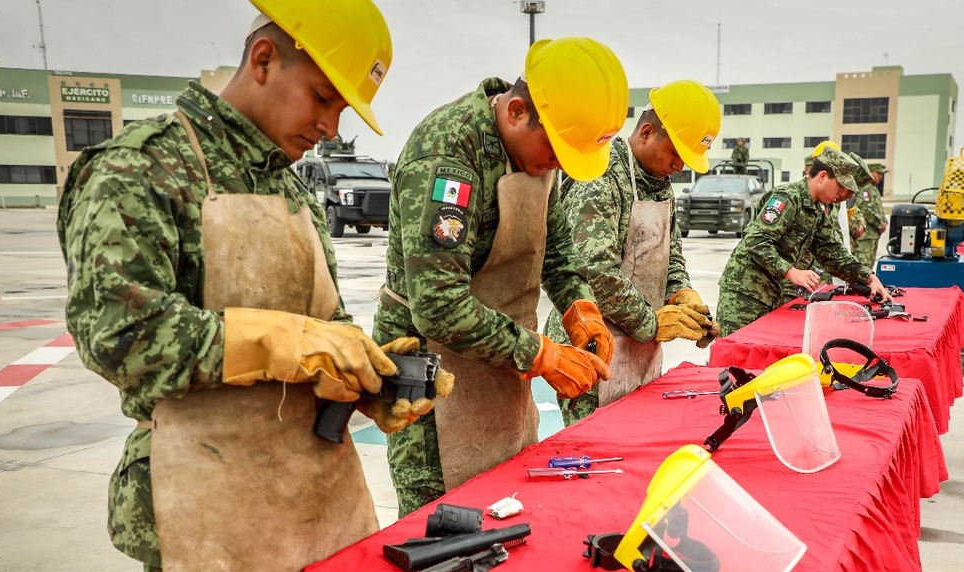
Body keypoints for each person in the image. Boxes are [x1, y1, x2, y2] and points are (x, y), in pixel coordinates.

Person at [59, 1, 451, 572]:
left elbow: (326, 324)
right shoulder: (141, 168)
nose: (328, 125)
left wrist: (367, 374)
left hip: (314, 492)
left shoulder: (293, 190)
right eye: (322, 97)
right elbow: (118, 338)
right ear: (264, 59)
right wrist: (276, 340)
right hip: (204, 500)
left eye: (343, 112)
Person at [373, 37, 626, 517]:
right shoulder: (448, 156)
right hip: (426, 369)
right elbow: (439, 307)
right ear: (515, 112)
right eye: (554, 151)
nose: (555, 165)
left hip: (502, 359)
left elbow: (555, 251)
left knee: (505, 502)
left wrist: (580, 308)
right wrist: (541, 353)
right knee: (443, 525)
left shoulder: (535, 148)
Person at [543, 79, 721, 425]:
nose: (680, 167)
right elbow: (592, 271)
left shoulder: (660, 185)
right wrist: (651, 322)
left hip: (640, 346)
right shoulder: (601, 177)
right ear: (646, 132)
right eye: (676, 154)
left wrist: (681, 293)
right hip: (593, 346)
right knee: (594, 451)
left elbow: (671, 252)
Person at [716, 148, 892, 336]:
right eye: (841, 187)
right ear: (823, 176)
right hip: (744, 295)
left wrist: (868, 277)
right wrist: (791, 271)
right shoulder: (788, 197)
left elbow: (831, 252)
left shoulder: (818, 209)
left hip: (771, 294)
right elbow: (755, 240)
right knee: (733, 357)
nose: (843, 195)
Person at [850, 162, 888, 266]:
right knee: (863, 263)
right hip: (866, 235)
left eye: (882, 174)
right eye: (878, 173)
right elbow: (866, 209)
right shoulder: (865, 188)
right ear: (870, 173)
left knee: (870, 264)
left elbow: (878, 209)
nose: (880, 177)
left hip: (873, 235)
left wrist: (884, 221)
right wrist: (880, 224)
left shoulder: (873, 189)